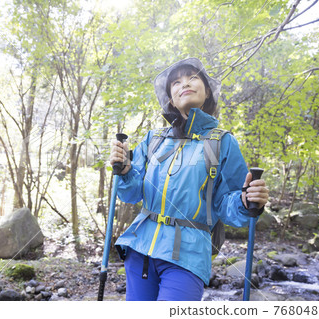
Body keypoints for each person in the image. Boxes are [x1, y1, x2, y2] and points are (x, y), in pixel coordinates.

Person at [109, 57, 269, 301]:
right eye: (176, 82)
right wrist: (124, 171)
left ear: (207, 93)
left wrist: (246, 201)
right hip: (140, 250)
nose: (185, 83)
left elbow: (227, 203)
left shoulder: (222, 141)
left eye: (193, 77)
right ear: (171, 99)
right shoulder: (154, 139)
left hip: (188, 256)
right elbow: (131, 193)